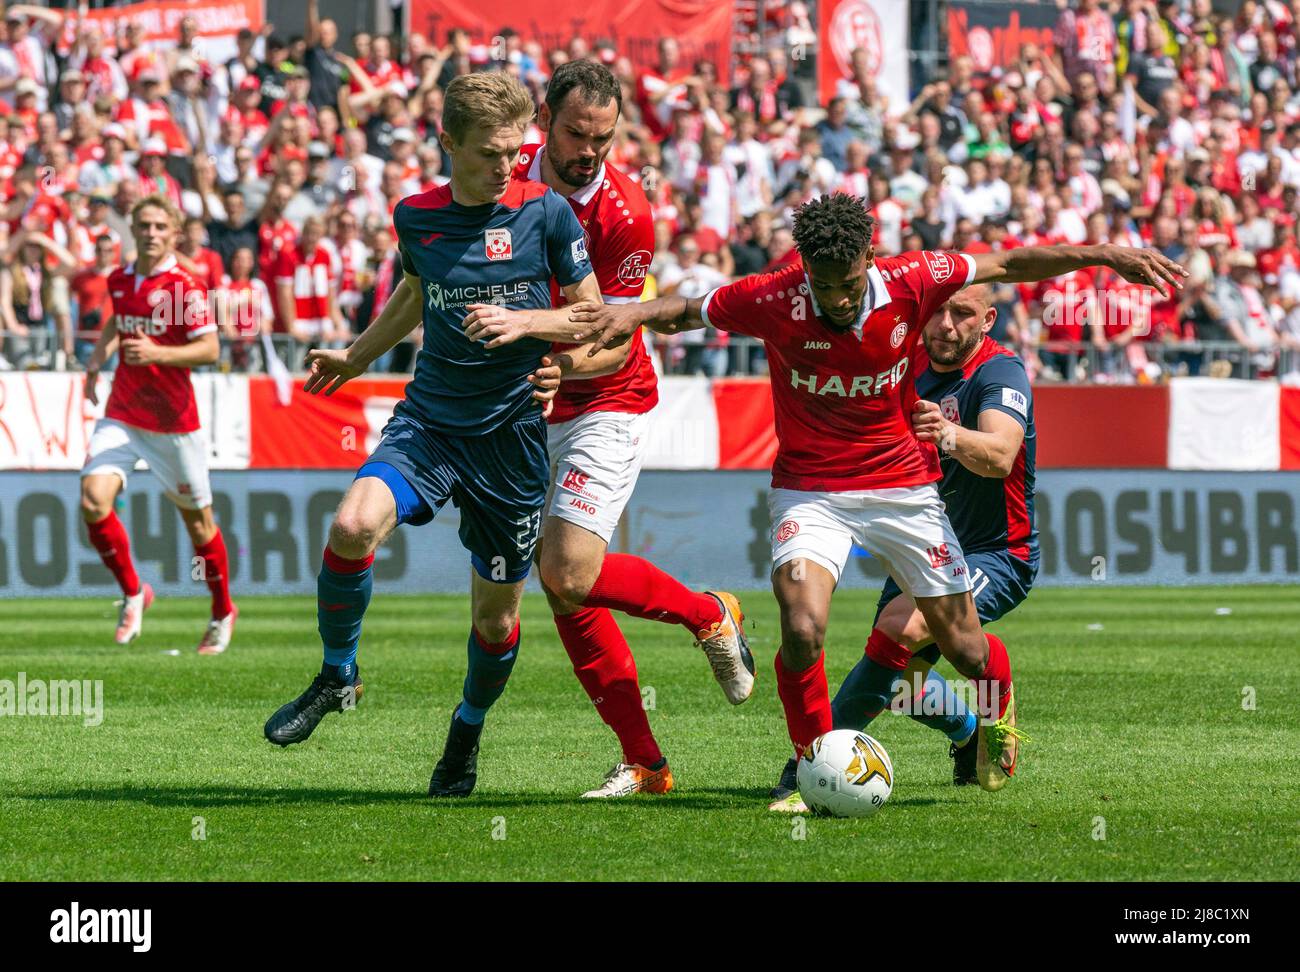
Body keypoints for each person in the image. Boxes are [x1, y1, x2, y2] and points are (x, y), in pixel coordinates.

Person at [572, 193, 1188, 797]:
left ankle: (994, 713)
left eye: (848, 283)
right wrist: (630, 314)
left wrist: (1105, 255)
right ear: (803, 268)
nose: (837, 299)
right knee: (803, 626)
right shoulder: (772, 296)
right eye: (822, 283)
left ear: (871, 256)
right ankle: (811, 770)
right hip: (809, 488)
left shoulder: (916, 280)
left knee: (966, 651)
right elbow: (687, 310)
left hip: (904, 487)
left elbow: (1013, 263)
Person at [261, 72, 627, 800]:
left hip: (511, 443)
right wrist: (357, 355)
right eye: (491, 153)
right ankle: (338, 675)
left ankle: (466, 732)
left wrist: (533, 331)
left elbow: (596, 321)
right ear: (448, 144)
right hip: (428, 421)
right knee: (351, 525)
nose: (506, 166)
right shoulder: (415, 217)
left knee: (495, 624)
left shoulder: (548, 214)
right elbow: (418, 290)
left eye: (515, 150)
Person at [461, 60, 753, 799]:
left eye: (603, 138)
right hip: (526, 405)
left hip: (604, 400)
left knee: (566, 573)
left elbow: (620, 336)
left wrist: (565, 366)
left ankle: (708, 613)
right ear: (545, 124)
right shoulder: (510, 172)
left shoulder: (625, 213)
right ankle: (648, 764)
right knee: (565, 591)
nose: (588, 150)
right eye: (575, 133)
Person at [768, 280, 1039, 800]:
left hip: (997, 550)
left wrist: (949, 435)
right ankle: (966, 733)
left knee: (902, 628)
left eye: (963, 314)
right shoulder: (901, 363)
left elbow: (1002, 455)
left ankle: (806, 767)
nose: (946, 325)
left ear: (987, 320)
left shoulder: (998, 372)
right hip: (917, 537)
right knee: (903, 684)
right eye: (937, 312)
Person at [78, 195, 237, 654]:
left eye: (159, 226)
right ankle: (133, 593)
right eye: (143, 225)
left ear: (172, 233)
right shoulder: (119, 278)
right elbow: (117, 321)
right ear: (133, 228)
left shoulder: (185, 286)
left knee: (200, 528)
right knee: (93, 500)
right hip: (123, 412)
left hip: (173, 423)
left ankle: (222, 610)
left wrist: (158, 354)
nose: (150, 233)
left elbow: (210, 350)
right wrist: (95, 360)